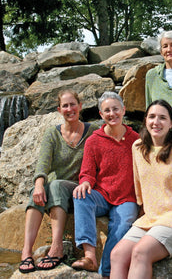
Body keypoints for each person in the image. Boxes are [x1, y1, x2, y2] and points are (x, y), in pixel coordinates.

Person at [110, 99, 172, 279]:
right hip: (151, 217)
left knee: (141, 252)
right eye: (152, 117)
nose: (156, 122)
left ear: (171, 124)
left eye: (162, 118)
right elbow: (139, 184)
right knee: (117, 255)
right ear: (145, 120)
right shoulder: (138, 148)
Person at [19, 89, 97, 273]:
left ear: (80, 106)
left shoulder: (93, 132)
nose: (69, 109)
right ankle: (26, 251)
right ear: (59, 110)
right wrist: (38, 184)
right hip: (55, 191)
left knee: (54, 185)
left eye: (72, 104)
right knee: (39, 190)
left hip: (79, 189)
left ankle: (57, 247)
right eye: (65, 106)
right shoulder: (52, 134)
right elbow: (43, 164)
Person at [71, 91, 139, 278]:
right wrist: (85, 183)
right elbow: (87, 172)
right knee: (80, 196)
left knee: (123, 223)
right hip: (102, 194)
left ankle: (107, 271)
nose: (112, 114)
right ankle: (90, 256)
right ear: (101, 115)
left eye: (115, 109)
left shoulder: (136, 141)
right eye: (107, 110)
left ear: (123, 110)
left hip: (127, 197)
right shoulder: (94, 140)